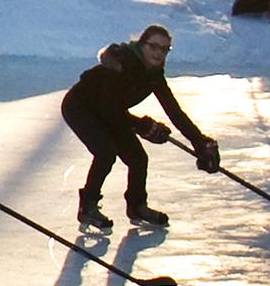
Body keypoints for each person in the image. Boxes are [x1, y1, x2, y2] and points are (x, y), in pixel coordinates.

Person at [60, 24, 220, 232]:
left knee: (138, 158)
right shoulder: (121, 65)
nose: (158, 53)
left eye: (164, 49)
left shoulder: (153, 74)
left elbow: (174, 111)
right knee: (105, 153)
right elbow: (109, 109)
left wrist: (200, 141)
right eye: (154, 46)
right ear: (142, 45)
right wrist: (142, 125)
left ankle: (137, 206)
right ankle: (87, 206)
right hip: (80, 107)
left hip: (111, 112)